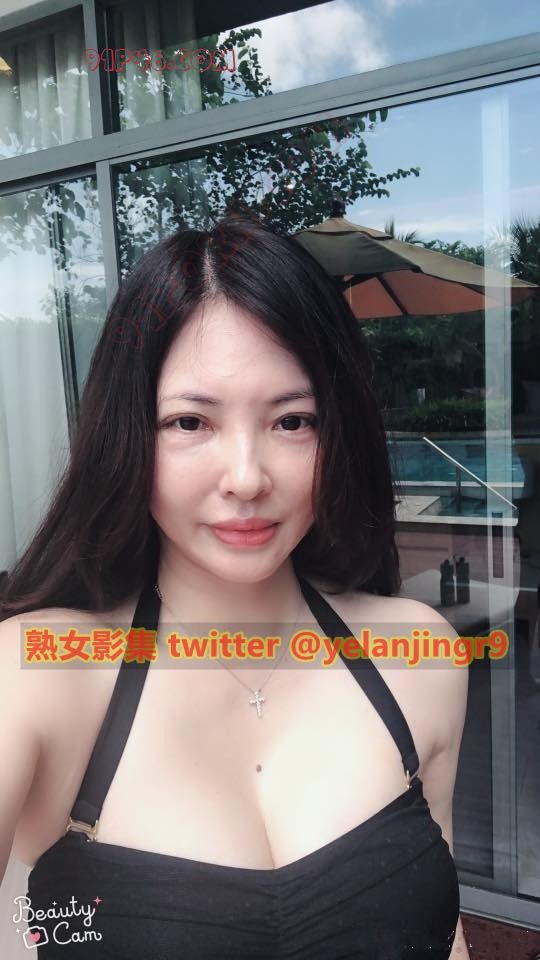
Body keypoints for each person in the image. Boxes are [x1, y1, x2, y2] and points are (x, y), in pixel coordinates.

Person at [0, 213, 470, 959]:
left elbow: (445, 938)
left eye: (293, 421)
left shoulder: (420, 654)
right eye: (190, 422)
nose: (247, 478)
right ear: (127, 434)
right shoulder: (38, 674)